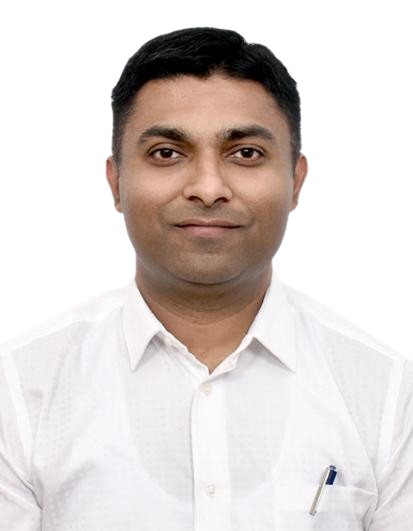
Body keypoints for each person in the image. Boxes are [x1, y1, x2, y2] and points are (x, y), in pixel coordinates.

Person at [0, 26, 411, 531]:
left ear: (296, 181)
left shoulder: (390, 391)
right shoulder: (17, 388)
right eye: (167, 153)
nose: (209, 188)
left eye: (246, 153)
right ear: (115, 182)